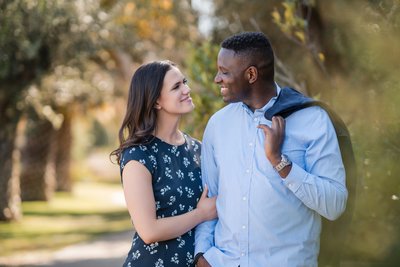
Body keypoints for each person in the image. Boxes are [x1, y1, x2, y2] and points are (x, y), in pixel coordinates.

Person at [194, 32, 348, 267]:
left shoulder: (312, 120)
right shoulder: (218, 125)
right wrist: (202, 255)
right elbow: (209, 196)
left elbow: (335, 205)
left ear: (251, 74)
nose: (217, 79)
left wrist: (279, 162)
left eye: (225, 72)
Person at [111, 60, 217, 267]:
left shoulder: (199, 149)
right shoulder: (138, 155)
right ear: (156, 101)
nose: (187, 89)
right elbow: (149, 231)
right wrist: (201, 214)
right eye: (176, 87)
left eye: (184, 82)